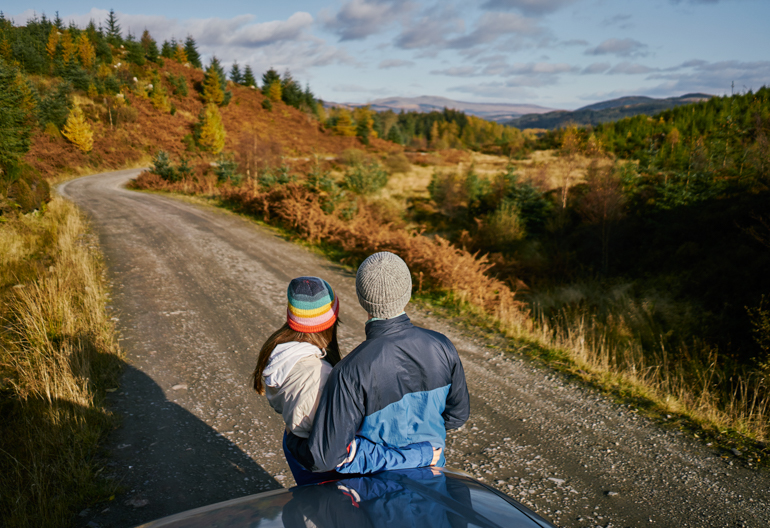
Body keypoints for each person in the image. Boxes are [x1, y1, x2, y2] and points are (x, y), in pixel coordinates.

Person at [286, 252, 470, 474]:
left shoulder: (349, 371)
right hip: (433, 474)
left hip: (374, 490)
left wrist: (292, 440)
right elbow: (457, 416)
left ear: (361, 298)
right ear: (408, 291)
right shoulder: (443, 345)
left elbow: (325, 458)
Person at [252, 276, 440, 485]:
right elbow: (340, 454)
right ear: (332, 318)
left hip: (298, 450)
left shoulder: (282, 352)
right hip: (325, 473)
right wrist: (419, 455)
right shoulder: (319, 377)